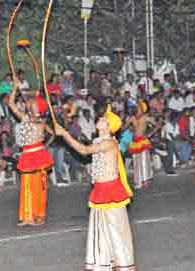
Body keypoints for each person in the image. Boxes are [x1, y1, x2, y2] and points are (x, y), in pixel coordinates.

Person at [54, 106, 135, 271]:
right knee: (101, 231)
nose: (100, 119)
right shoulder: (99, 141)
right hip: (100, 190)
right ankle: (104, 264)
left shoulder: (109, 142)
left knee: (117, 234)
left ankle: (124, 266)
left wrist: (65, 134)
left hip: (111, 191)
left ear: (109, 126)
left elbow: (83, 150)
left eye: (104, 119)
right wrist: (61, 130)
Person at [9, 79, 54, 226]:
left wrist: (45, 146)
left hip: (39, 154)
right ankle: (27, 216)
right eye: (31, 103)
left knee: (39, 186)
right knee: (26, 185)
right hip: (28, 155)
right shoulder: (26, 118)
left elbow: (53, 134)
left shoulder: (40, 122)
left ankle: (39, 215)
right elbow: (11, 104)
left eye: (33, 103)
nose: (30, 104)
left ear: (38, 108)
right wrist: (15, 88)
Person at [127, 100, 157, 189]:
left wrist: (150, 134)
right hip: (135, 141)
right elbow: (124, 126)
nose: (136, 107)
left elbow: (157, 124)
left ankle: (145, 181)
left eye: (138, 106)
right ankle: (138, 181)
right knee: (136, 161)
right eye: (136, 106)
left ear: (142, 108)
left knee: (144, 161)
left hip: (143, 140)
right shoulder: (133, 117)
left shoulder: (145, 117)